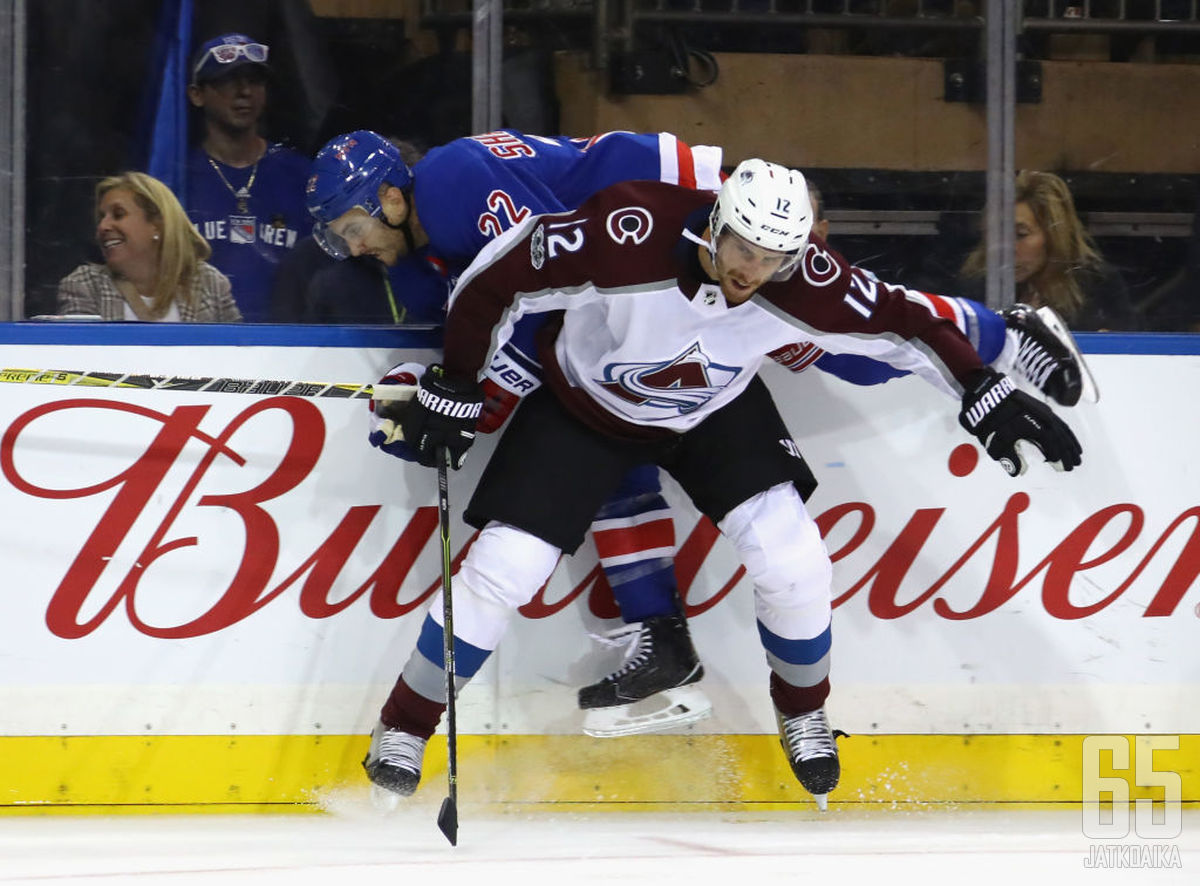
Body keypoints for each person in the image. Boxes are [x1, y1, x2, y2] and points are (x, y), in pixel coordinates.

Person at [306, 130, 1093, 753]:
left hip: (683, 221)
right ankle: (656, 627)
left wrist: (472, 398)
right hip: (652, 270)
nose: (353, 248)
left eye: (353, 228)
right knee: (608, 410)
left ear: (389, 197)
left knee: (823, 342)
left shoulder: (446, 188)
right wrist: (448, 390)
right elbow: (500, 308)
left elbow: (536, 302)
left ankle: (1005, 334)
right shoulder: (431, 238)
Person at [185, 33, 310, 322]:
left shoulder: (301, 175)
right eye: (229, 80)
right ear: (197, 94)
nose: (244, 91)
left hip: (287, 344)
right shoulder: (176, 178)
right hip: (198, 343)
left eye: (254, 80)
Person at [961, 170, 1138, 332]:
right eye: (996, 235)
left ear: (1054, 236)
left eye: (1020, 235)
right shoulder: (975, 289)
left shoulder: (1097, 285)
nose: (1006, 250)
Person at [57, 171, 241, 322]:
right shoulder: (84, 285)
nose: (103, 226)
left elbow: (239, 353)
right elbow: (81, 360)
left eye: (118, 214)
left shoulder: (210, 283)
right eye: (102, 217)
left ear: (157, 224)